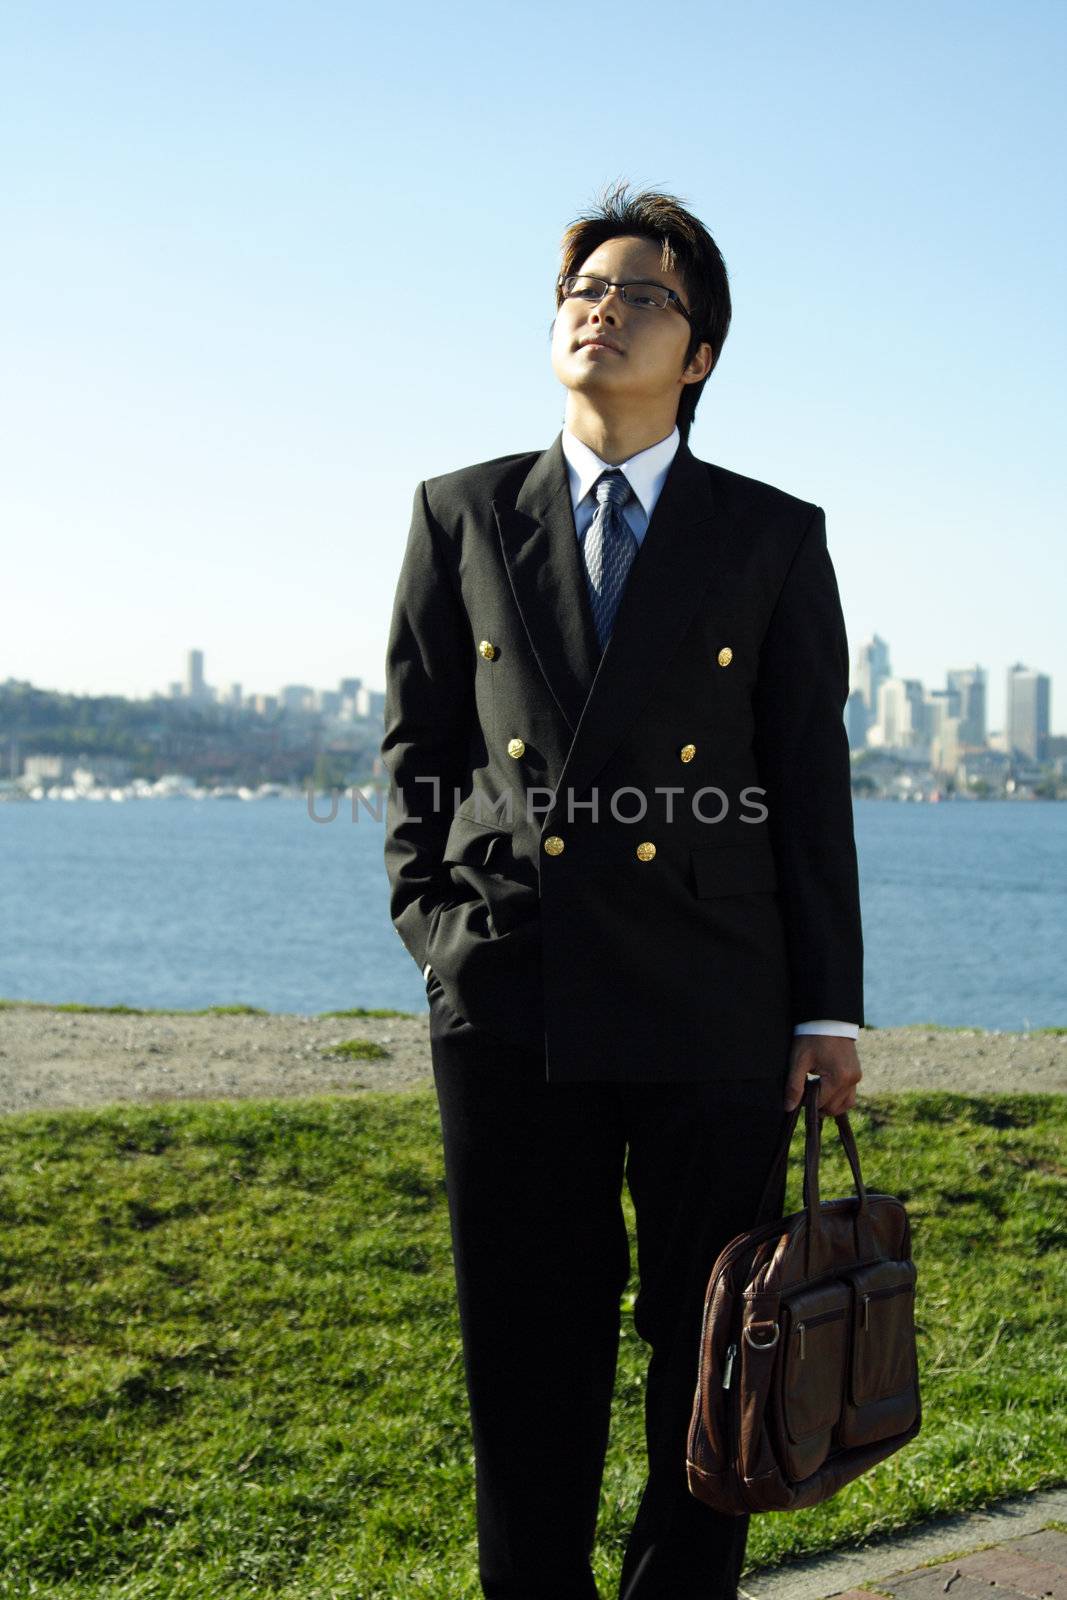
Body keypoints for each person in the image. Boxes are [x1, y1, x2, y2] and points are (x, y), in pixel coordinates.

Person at [381, 181, 864, 1600]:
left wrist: (826, 1009)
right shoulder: (462, 513)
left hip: (715, 991)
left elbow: (804, 775)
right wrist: (440, 935)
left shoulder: (769, 534)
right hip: (511, 993)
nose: (598, 309)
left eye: (636, 293)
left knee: (716, 1345)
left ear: (697, 352)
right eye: (580, 291)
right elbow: (416, 752)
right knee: (527, 1346)